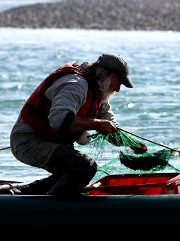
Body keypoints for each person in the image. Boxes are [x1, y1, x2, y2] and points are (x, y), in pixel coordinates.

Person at [10, 53, 147, 197]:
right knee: (84, 167)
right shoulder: (75, 84)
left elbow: (110, 124)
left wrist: (132, 143)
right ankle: (52, 210)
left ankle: (25, 193)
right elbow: (59, 120)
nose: (118, 89)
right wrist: (97, 124)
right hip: (28, 142)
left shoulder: (99, 91)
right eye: (118, 82)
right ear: (103, 75)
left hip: (51, 143)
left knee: (76, 171)